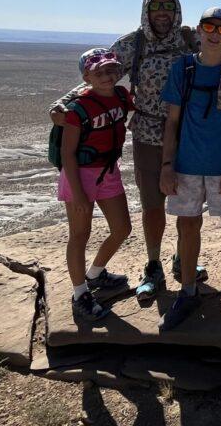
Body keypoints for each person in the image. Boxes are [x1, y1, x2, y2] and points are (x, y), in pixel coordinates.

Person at [49, 0, 221, 301]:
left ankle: (185, 261)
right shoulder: (134, 43)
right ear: (146, 12)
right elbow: (101, 72)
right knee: (153, 202)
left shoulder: (187, 39)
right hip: (150, 133)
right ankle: (154, 265)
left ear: (177, 11)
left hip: (190, 135)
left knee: (189, 210)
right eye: (156, 7)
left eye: (168, 6)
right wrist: (66, 102)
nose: (162, 12)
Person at [158, 7, 221, 330]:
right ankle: (187, 291)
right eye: (209, 27)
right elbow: (172, 121)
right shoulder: (184, 69)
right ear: (199, 30)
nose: (215, 34)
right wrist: (167, 166)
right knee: (187, 227)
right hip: (187, 166)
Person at [58, 48, 134, 322]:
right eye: (98, 72)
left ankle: (95, 274)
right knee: (79, 235)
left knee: (123, 228)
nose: (106, 76)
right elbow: (67, 153)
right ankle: (80, 294)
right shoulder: (78, 107)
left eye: (110, 70)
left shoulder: (122, 96)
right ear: (86, 77)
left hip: (108, 171)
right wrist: (78, 194)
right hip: (80, 175)